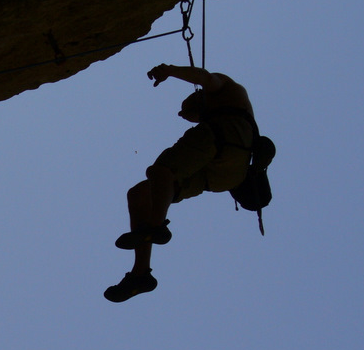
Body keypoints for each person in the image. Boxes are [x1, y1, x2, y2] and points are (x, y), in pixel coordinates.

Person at [104, 63, 256, 303]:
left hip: (225, 137)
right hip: (226, 173)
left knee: (160, 170)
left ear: (199, 95)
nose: (181, 115)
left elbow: (202, 76)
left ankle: (155, 227)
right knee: (140, 194)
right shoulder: (226, 106)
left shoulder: (223, 87)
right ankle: (140, 274)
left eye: (185, 111)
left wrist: (169, 70)